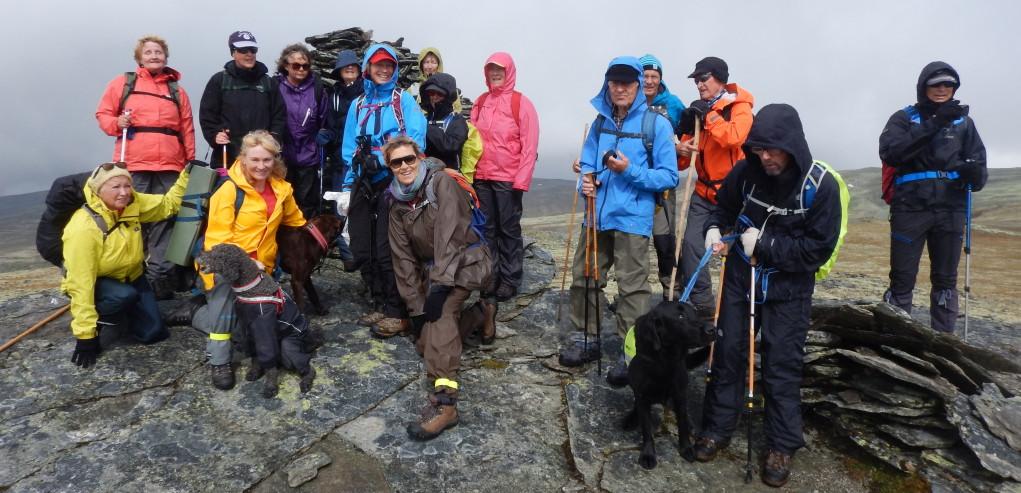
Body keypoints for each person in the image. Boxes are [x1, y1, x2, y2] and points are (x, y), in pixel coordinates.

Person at [696, 104, 841, 488]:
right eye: (759, 149)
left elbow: (817, 250)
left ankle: (781, 444)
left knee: (782, 363)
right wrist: (714, 229)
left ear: (793, 145)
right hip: (741, 279)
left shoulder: (821, 186)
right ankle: (716, 427)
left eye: (774, 149)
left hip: (789, 289)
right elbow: (723, 209)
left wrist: (766, 244)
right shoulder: (745, 173)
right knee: (727, 352)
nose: (765, 157)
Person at [558, 57, 678, 379]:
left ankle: (632, 353)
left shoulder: (657, 125)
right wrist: (586, 180)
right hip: (595, 215)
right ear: (607, 85)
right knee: (585, 277)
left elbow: (669, 177)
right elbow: (588, 162)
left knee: (632, 287)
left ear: (638, 85)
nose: (620, 88)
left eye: (627, 82)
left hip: (633, 218)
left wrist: (629, 170)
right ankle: (587, 338)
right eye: (615, 82)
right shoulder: (600, 123)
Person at [385, 136, 496, 440]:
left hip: (467, 261)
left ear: (419, 158)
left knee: (444, 312)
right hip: (437, 271)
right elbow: (403, 260)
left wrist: (441, 287)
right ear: (390, 167)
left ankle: (445, 403)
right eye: (396, 162)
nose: (404, 166)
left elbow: (451, 236)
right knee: (426, 344)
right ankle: (480, 314)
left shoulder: (442, 184)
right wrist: (417, 310)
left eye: (409, 159)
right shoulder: (396, 205)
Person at [879, 62, 987, 333]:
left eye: (948, 84)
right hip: (910, 209)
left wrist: (974, 173)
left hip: (951, 210)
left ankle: (944, 343)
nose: (942, 89)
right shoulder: (904, 118)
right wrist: (936, 122)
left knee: (945, 280)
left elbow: (979, 174)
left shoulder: (964, 124)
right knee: (902, 277)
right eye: (936, 84)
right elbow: (892, 152)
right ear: (923, 87)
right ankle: (894, 339)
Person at [198, 130, 306, 390]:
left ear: (274, 160)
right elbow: (218, 241)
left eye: (267, 159)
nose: (261, 166)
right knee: (224, 309)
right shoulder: (229, 190)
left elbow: (295, 220)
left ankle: (199, 313)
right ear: (243, 159)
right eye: (255, 160)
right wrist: (246, 263)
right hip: (227, 265)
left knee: (261, 317)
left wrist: (319, 234)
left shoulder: (282, 189)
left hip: (262, 270)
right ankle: (220, 361)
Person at [336, 44, 427, 338]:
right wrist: (349, 182)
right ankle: (378, 300)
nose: (384, 70)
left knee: (390, 247)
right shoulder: (358, 104)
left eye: (389, 65)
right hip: (363, 180)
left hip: (395, 181)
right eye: (378, 65)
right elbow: (349, 145)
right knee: (363, 245)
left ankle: (396, 311)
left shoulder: (404, 101)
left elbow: (416, 139)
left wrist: (387, 159)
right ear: (368, 68)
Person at [95, 35, 196, 300]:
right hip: (134, 162)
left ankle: (160, 277)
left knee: (166, 219)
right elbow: (103, 115)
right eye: (148, 52)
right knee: (130, 216)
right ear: (139, 58)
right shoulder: (123, 83)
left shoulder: (177, 91)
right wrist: (117, 123)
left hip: (171, 163)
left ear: (166, 57)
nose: (154, 56)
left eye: (158, 52)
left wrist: (189, 161)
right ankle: (130, 273)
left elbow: (186, 127)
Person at [62, 161, 191, 369]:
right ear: (98, 190)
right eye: (116, 187)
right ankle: (102, 318)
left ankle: (124, 314)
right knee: (123, 296)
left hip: (133, 277)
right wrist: (85, 335)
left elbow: (168, 205)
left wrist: (186, 175)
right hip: (100, 284)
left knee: (154, 333)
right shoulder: (83, 228)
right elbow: (81, 284)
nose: (124, 193)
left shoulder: (132, 203)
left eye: (127, 185)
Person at [675, 57, 754, 315]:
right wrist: (680, 147)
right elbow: (683, 163)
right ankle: (703, 306)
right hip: (703, 193)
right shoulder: (699, 111)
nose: (699, 85)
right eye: (696, 81)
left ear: (720, 78)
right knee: (691, 245)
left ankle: (735, 308)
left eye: (703, 79)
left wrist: (708, 116)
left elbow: (734, 137)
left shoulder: (739, 107)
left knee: (735, 251)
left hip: (734, 195)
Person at [470, 52, 540, 301]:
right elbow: (471, 142)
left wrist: (521, 181)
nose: (495, 73)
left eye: (500, 69)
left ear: (509, 72)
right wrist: (469, 175)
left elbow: (530, 146)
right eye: (491, 69)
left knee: (508, 229)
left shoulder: (521, 103)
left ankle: (510, 280)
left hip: (508, 179)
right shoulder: (480, 102)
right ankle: (490, 277)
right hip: (482, 177)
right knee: (486, 229)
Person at [199, 31, 287, 168]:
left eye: (253, 50)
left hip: (261, 159)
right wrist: (214, 135)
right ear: (233, 52)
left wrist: (274, 137)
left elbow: (279, 115)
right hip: (227, 156)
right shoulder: (219, 80)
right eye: (243, 50)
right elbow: (207, 115)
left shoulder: (268, 82)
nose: (249, 54)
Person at [638, 54, 687, 297]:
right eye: (644, 75)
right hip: (635, 181)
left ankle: (672, 291)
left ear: (660, 79)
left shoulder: (672, 104)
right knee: (633, 239)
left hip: (663, 182)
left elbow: (688, 132)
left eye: (654, 76)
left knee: (664, 239)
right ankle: (634, 292)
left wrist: (679, 148)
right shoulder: (629, 101)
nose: (649, 81)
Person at [275, 43, 330, 219]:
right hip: (281, 155)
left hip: (309, 154)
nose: (301, 69)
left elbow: (324, 119)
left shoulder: (317, 89)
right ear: (286, 65)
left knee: (307, 203)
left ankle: (304, 234)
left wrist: (323, 133)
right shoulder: (275, 87)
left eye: (305, 66)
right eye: (296, 65)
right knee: (281, 201)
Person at [322, 49, 364, 268]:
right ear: (338, 71)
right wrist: (327, 135)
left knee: (363, 205)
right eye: (345, 66)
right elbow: (331, 123)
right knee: (341, 205)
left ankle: (363, 251)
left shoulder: (367, 91)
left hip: (364, 158)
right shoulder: (334, 95)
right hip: (340, 159)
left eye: (353, 65)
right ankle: (348, 255)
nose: (349, 68)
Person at [421, 73, 469, 171]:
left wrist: (427, 127)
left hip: (449, 173)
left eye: (440, 93)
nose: (435, 97)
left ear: (448, 96)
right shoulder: (425, 119)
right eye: (431, 93)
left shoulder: (457, 120)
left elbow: (451, 147)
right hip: (425, 172)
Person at [413, 47, 462, 114]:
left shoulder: (448, 86)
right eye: (426, 62)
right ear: (421, 65)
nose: (430, 67)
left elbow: (457, 110)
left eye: (433, 62)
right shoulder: (413, 88)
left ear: (439, 65)